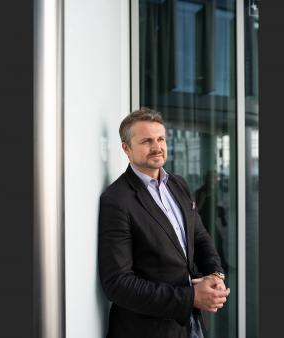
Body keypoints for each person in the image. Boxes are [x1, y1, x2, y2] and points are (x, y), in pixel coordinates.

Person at [98, 107, 230, 338]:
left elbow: (199, 237)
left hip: (190, 324)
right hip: (147, 330)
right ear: (126, 149)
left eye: (160, 139)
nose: (157, 147)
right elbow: (117, 283)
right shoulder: (117, 200)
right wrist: (191, 297)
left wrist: (215, 275)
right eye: (147, 141)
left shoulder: (178, 185)